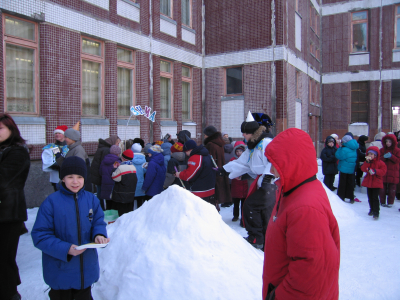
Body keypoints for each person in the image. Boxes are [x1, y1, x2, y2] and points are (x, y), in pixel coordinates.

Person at [262, 128, 340, 300]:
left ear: (291, 161)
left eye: (275, 162)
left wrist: (278, 296)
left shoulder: (304, 207)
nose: (271, 168)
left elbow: (312, 271)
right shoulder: (294, 189)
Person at [31, 156, 109, 300]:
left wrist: (99, 234)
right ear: (62, 179)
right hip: (60, 271)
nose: (75, 181)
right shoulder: (51, 203)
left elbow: (98, 221)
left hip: (85, 272)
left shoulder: (91, 199)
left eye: (79, 177)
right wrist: (65, 249)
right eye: (70, 177)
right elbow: (40, 235)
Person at [222, 111, 276, 249]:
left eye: (245, 133)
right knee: (263, 211)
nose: (243, 136)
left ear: (252, 132)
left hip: (270, 184)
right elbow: (242, 163)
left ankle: (257, 237)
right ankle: (263, 239)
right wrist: (224, 169)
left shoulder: (266, 143)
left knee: (251, 206)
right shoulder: (252, 146)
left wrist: (268, 177)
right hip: (261, 182)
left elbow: (274, 160)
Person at [0, 114, 31, 300]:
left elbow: (4, 180)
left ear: (12, 129)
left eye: (1, 128)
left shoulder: (17, 152)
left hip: (8, 214)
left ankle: (10, 294)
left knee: (3, 258)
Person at [175, 140, 217, 205]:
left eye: (186, 152)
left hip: (200, 190)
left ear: (189, 150)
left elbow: (190, 175)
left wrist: (179, 174)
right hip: (208, 187)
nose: (186, 154)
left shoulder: (195, 157)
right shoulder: (206, 154)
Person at [203, 125, 232, 208]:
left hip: (213, 172)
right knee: (217, 195)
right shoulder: (219, 144)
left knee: (212, 196)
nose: (204, 136)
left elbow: (210, 160)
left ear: (209, 135)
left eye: (205, 134)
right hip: (220, 171)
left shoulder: (211, 144)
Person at [90, 135, 120, 210]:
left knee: (100, 193)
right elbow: (107, 165)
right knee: (102, 194)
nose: (118, 145)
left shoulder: (103, 148)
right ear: (114, 142)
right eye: (118, 143)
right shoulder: (107, 150)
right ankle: (101, 210)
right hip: (102, 176)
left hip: (98, 174)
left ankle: (100, 209)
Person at [361, 147, 387, 220]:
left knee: (375, 198)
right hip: (369, 182)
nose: (370, 155)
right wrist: (367, 163)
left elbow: (383, 171)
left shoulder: (380, 163)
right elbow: (363, 169)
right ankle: (371, 209)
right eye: (369, 154)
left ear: (375, 155)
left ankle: (376, 212)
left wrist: (375, 171)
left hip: (376, 183)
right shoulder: (367, 162)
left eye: (372, 154)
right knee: (370, 197)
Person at [41, 125, 68, 191]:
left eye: (59, 133)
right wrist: (59, 165)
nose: (57, 135)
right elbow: (48, 163)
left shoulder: (69, 147)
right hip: (56, 178)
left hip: (69, 178)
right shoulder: (52, 147)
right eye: (56, 133)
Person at [111, 149, 137, 216]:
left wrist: (114, 169)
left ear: (123, 158)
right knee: (129, 214)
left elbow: (115, 178)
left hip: (121, 196)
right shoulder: (133, 167)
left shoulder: (121, 168)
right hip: (130, 195)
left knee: (121, 214)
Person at [335, 133, 359, 203]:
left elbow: (338, 156)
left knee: (342, 183)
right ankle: (351, 197)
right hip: (351, 168)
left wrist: (340, 148)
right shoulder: (354, 148)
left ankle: (341, 196)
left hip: (344, 168)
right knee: (350, 183)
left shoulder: (344, 149)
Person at [379, 134, 400, 208]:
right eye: (386, 141)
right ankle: (382, 201)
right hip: (383, 171)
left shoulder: (397, 150)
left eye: (390, 142)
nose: (388, 143)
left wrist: (391, 156)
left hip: (393, 172)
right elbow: (378, 160)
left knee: (392, 188)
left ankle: (390, 202)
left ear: (393, 142)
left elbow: (398, 160)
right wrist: (384, 157)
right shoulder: (381, 150)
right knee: (382, 188)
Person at [230, 141, 248, 222]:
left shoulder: (247, 160)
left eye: (240, 151)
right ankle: (235, 215)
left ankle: (243, 218)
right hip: (236, 184)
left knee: (244, 203)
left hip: (245, 184)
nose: (238, 153)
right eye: (237, 151)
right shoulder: (233, 160)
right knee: (236, 202)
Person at [99, 145, 121, 209]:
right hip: (115, 186)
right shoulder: (118, 162)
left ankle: (108, 218)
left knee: (108, 205)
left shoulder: (104, 161)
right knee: (115, 206)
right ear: (118, 153)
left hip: (105, 185)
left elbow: (100, 172)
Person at [131, 143, 147, 209]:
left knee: (131, 201)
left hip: (132, 183)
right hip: (141, 182)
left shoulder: (130, 159)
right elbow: (145, 170)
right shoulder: (144, 159)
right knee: (140, 202)